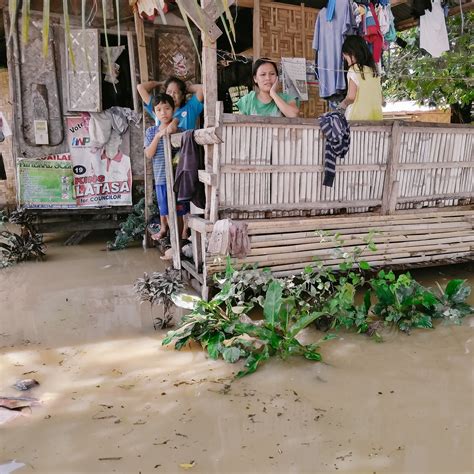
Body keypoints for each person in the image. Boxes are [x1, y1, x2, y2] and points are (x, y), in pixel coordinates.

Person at [144, 93, 189, 241]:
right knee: (168, 212)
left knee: (180, 211)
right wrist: (159, 136)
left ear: (173, 109)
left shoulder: (180, 131)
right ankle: (174, 242)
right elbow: (149, 154)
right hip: (161, 179)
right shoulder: (151, 132)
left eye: (167, 108)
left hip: (178, 180)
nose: (163, 113)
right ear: (154, 112)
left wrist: (172, 126)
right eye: (159, 109)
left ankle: (179, 241)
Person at [339, 36, 383, 121]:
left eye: (346, 56)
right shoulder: (374, 71)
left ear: (352, 53)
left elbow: (351, 97)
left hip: (357, 119)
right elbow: (381, 99)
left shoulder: (354, 70)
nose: (345, 59)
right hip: (376, 119)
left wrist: (342, 105)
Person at [137, 77, 204, 130]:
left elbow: (202, 88)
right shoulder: (159, 109)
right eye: (169, 92)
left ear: (183, 96)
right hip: (162, 146)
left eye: (176, 92)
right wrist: (161, 83)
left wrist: (185, 87)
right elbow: (141, 87)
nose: (172, 95)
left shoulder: (190, 108)